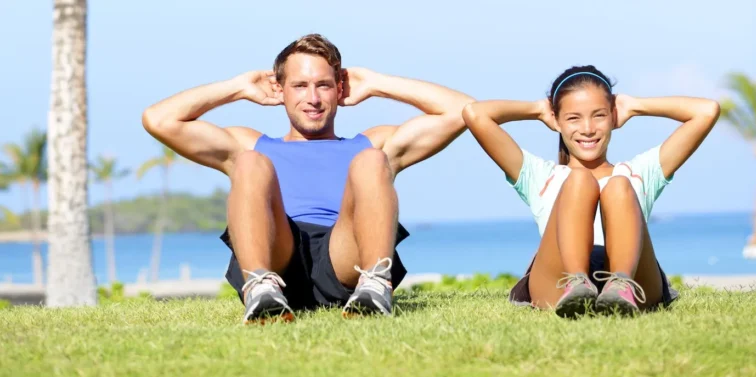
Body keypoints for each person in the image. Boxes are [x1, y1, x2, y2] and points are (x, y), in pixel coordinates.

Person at [141, 33, 473, 323]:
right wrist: (237, 88)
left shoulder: (370, 143)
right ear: (279, 89)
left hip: (346, 258)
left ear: (339, 87)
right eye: (299, 86)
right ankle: (260, 290)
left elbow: (465, 111)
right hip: (277, 254)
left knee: (372, 160)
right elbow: (158, 119)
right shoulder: (252, 144)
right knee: (250, 163)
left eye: (323, 85)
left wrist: (376, 83)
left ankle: (375, 287)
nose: (312, 99)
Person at [462, 65, 720, 318]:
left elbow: (706, 111)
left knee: (618, 185)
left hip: (634, 278)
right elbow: (475, 114)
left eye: (599, 115)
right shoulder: (540, 175)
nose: (587, 128)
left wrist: (634, 105)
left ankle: (620, 286)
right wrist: (539, 110)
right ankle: (577, 284)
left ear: (613, 117)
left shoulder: (640, 172)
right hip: (557, 281)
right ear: (557, 120)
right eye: (573, 117)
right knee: (579, 181)